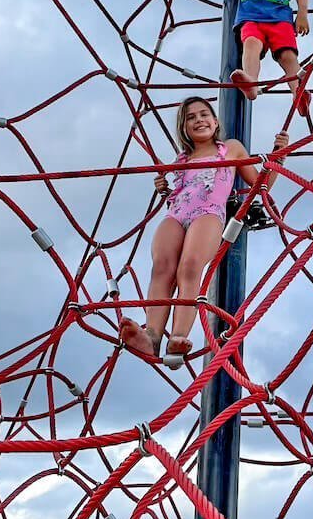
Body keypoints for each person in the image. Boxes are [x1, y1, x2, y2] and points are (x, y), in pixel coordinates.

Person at [120, 97, 288, 361]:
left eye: (203, 114)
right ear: (184, 129)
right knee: (162, 267)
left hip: (208, 213)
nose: (198, 120)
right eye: (190, 117)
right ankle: (151, 335)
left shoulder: (230, 149)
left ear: (216, 121)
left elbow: (259, 183)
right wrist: (163, 187)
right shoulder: (182, 159)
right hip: (177, 213)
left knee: (189, 266)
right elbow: (179, 190)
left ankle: (178, 335)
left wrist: (280, 156)